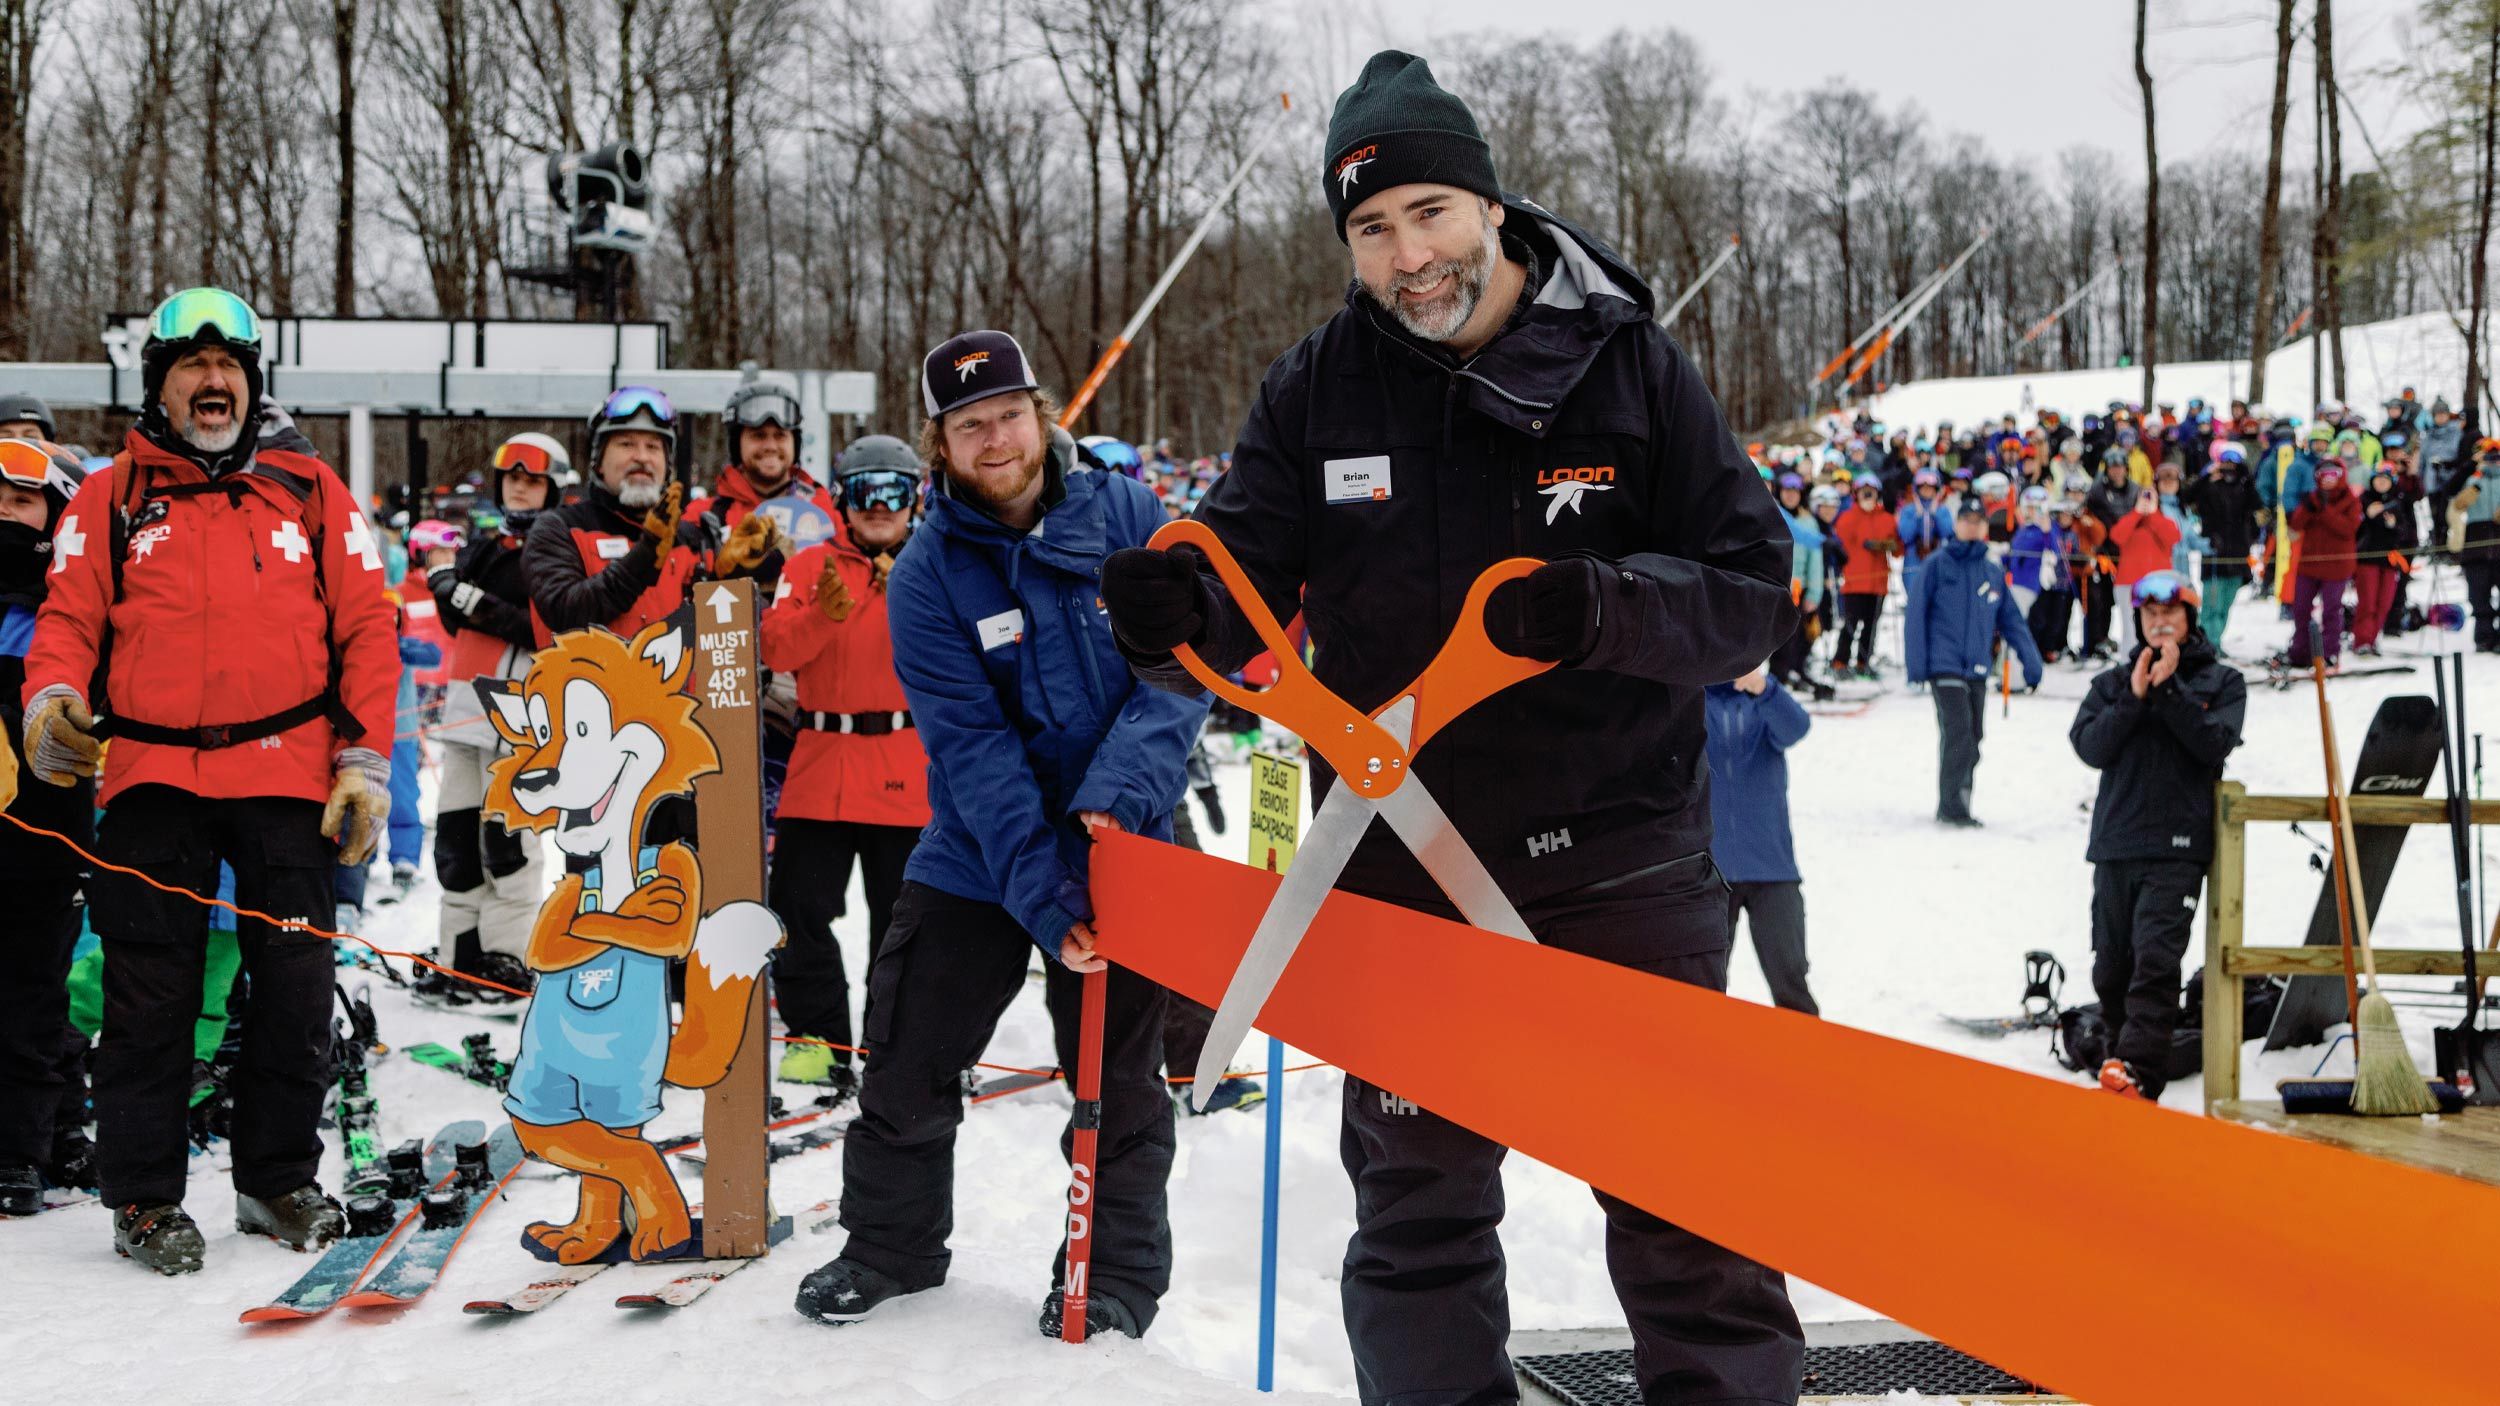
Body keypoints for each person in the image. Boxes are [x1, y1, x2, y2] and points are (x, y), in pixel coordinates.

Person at [1099, 52, 1805, 1405]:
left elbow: (1752, 593)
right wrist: (1167, 610)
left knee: (1691, 1216)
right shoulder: (1318, 389)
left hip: (1624, 861)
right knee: (1416, 1221)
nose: (1409, 256)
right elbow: (1239, 592)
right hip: (1399, 866)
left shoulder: (1629, 363)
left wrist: (1604, 607)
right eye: (1371, 229)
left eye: (1429, 212)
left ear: (1488, 205)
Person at [793, 331, 1206, 1339]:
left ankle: (1112, 1274)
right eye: (969, 424)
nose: (995, 439)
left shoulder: (1127, 513)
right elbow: (971, 747)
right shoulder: (930, 573)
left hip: (1128, 835)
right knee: (905, 1044)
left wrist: (1114, 801)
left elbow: (1186, 668)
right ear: (939, 443)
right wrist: (1048, 894)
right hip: (987, 845)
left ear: (1043, 412)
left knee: (1119, 1079)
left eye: (1009, 414)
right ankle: (889, 1244)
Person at [21, 287, 397, 1271]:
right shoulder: (109, 495)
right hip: (150, 776)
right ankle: (144, 1198)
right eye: (192, 365)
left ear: (252, 379)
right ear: (160, 381)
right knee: (149, 998)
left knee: (294, 990)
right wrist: (50, 693)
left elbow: (367, 628)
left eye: (228, 365)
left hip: (287, 775)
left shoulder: (311, 489)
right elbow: (66, 619)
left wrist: (363, 761)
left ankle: (277, 1181)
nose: (213, 380)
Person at [755, 434, 933, 1099]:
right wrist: (831, 615)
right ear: (841, 501)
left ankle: (901, 1043)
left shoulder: (937, 562)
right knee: (798, 907)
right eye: (865, 491)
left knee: (906, 921)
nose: (880, 506)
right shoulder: (808, 567)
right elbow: (775, 647)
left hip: (906, 766)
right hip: (822, 763)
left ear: (915, 496)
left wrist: (908, 596)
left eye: (895, 490)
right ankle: (816, 1038)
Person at [2068, 571, 2246, 1101]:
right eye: (2149, 616)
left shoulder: (2221, 682)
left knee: (2155, 961)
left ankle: (2139, 1073)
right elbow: (2089, 746)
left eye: (2170, 614)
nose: (2159, 624)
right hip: (2116, 844)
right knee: (2111, 966)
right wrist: (2136, 696)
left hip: (2178, 848)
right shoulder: (2111, 683)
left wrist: (2169, 692)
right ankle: (2118, 1062)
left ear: (2190, 619)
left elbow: (2213, 744)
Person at [423, 433, 568, 1000]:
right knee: (456, 843)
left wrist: (460, 594)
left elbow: (534, 622)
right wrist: (451, 592)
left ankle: (507, 960)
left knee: (506, 844)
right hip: (467, 711)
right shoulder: (488, 545)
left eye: (533, 481)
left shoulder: (557, 549)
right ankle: (459, 954)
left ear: (552, 487)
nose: (521, 489)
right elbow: (464, 621)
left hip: (523, 720)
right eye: (513, 479)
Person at [0, 440, 91, 1215]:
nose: (3, 512)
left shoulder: (69, 613)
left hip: (44, 834)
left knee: (31, 990)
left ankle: (20, 1151)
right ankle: (59, 1128)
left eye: (21, 501)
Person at [525, 386, 778, 641]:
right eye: (626, 444)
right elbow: (565, 614)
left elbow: (733, 640)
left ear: (667, 466)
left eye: (654, 446)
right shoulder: (559, 529)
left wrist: (734, 579)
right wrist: (645, 556)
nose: (642, 457)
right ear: (598, 462)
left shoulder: (695, 538)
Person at [1905, 500, 2043, 827]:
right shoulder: (1936, 564)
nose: (1971, 525)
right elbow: (1915, 616)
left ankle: (1962, 799)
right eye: (1965, 519)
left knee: (1975, 736)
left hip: (1978, 666)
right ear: (1956, 524)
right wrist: (1917, 666)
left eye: (1977, 520)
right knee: (1958, 733)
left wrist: (2031, 662)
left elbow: (2012, 622)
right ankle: (1951, 807)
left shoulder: (1992, 572)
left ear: (1984, 527)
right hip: (1944, 664)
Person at [1705, 665, 1818, 1016]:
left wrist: (1765, 688)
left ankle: (1808, 1061)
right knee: (1703, 985)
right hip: (1709, 872)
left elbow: (1797, 727)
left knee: (1791, 979)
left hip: (1772, 867)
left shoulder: (1762, 700)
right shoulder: (1690, 702)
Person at [2178, 442, 2263, 653]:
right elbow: (2186, 497)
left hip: (2238, 554)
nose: (2229, 467)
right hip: (2215, 554)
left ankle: (2215, 642)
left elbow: (2257, 505)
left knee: (2225, 605)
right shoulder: (2209, 486)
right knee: (2210, 605)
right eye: (2225, 462)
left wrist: (2247, 478)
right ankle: (2207, 645)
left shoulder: (2244, 487)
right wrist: (2207, 476)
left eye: (2234, 463)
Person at [2284, 458, 2360, 671]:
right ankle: (2301, 651)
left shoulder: (2350, 500)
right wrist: (2307, 508)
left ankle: (2329, 653)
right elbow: (2296, 525)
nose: (2328, 481)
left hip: (2337, 566)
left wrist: (2324, 511)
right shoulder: (2312, 498)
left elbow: (2347, 529)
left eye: (2332, 476)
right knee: (2300, 609)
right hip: (2309, 564)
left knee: (2331, 611)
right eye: (2323, 476)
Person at [1832, 478, 1898, 679]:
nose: (1868, 497)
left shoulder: (1887, 518)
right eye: (1864, 492)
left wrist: (1888, 545)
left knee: (1871, 625)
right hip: (1855, 582)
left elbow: (1897, 547)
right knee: (1851, 624)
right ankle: (1840, 661)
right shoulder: (1847, 517)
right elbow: (1843, 541)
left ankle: (1863, 661)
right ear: (1856, 495)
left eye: (1872, 492)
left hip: (1878, 583)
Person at [2107, 482, 2181, 657]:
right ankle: (2129, 662)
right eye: (2144, 496)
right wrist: (2137, 512)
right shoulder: (2129, 519)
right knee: (2131, 627)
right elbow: (2117, 536)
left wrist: (2154, 513)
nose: (2147, 500)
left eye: (2151, 496)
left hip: (2158, 584)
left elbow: (2173, 537)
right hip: (2128, 584)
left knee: (2159, 625)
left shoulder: (2164, 520)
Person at [2352, 461, 2414, 657]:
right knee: (2367, 603)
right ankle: (2362, 640)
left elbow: (2406, 531)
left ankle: (2372, 638)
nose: (2381, 483)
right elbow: (2356, 529)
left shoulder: (2397, 501)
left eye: (2385, 480)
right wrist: (2367, 515)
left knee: (2384, 603)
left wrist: (2393, 524)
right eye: (2378, 479)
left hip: (2389, 560)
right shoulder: (2364, 499)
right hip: (2367, 559)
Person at [2007, 488, 2076, 663]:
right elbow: (2015, 553)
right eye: (2029, 508)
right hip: (2016, 583)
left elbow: (2055, 551)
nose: (2032, 512)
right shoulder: (2025, 529)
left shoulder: (2048, 527)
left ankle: (2033, 657)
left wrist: (2046, 531)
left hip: (2034, 586)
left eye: (2037, 508)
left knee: (2036, 622)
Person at [2452, 439, 2500, 652]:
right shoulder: (2472, 480)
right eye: (2489, 457)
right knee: (2478, 595)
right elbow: (2451, 494)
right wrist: (2472, 466)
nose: (2493, 462)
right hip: (2476, 545)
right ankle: (2484, 636)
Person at [1895, 467, 1953, 572]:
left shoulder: (1943, 510)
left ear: (1936, 489)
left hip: (1937, 559)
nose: (1926, 490)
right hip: (1913, 560)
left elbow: (1947, 533)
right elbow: (1905, 536)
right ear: (1917, 489)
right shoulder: (1909, 510)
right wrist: (1917, 516)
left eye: (1930, 487)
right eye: (1922, 487)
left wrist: (1936, 515)